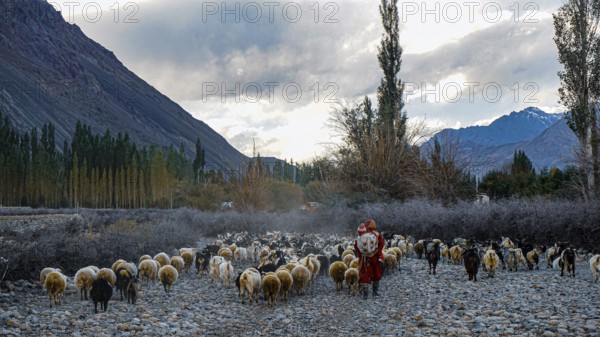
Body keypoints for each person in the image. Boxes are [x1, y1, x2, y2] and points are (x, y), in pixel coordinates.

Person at [354, 219, 384, 299]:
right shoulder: (377, 235)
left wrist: (361, 254)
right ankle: (375, 293)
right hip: (375, 258)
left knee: (364, 274)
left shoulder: (361, 236)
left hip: (364, 258)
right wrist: (376, 254)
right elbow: (381, 245)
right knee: (376, 273)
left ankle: (365, 295)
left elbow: (356, 247)